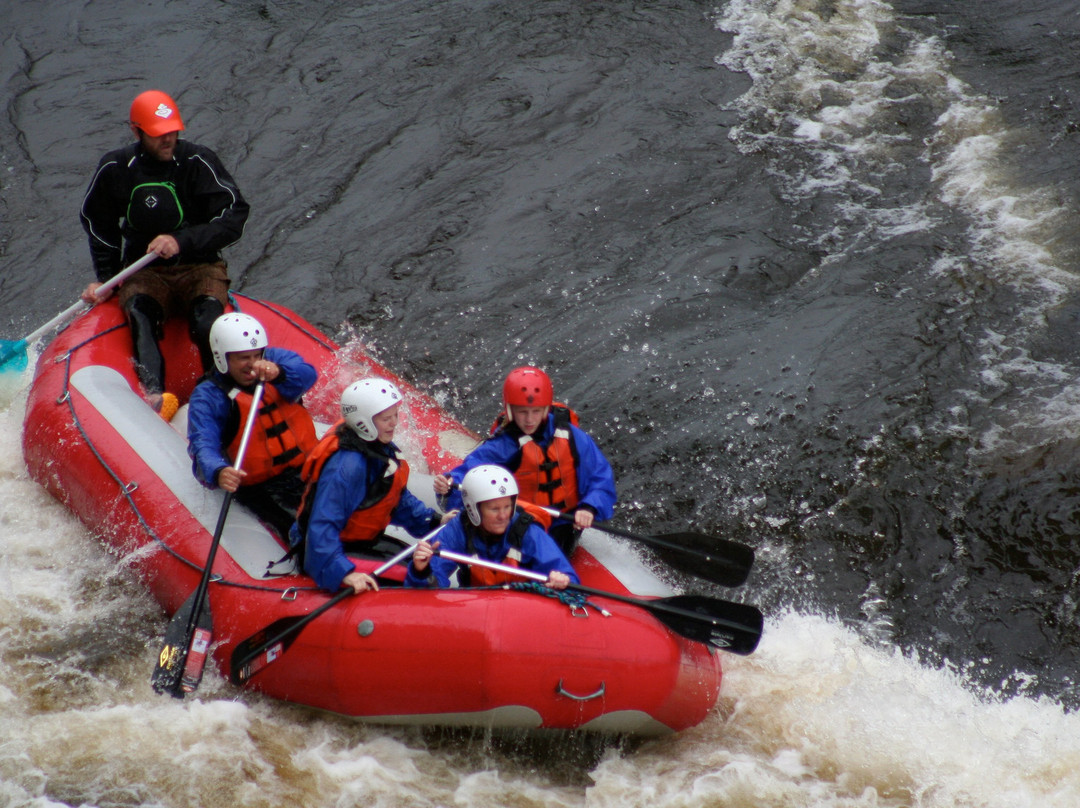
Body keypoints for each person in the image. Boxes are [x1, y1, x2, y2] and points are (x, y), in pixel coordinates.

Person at [80, 89, 250, 420]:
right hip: (145, 272)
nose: (168, 139)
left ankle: (218, 392)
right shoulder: (116, 168)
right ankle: (155, 398)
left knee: (207, 320)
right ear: (136, 131)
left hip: (199, 266)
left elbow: (234, 214)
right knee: (141, 316)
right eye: (159, 135)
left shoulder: (197, 161)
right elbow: (96, 221)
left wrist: (182, 240)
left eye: (172, 131)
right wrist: (108, 278)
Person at [290, 378, 456, 595]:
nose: (394, 423)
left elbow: (394, 497)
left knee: (424, 568)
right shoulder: (347, 468)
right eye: (386, 418)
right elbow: (322, 525)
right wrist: (343, 573)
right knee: (419, 578)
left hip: (359, 544)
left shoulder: (375, 448)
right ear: (363, 423)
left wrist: (434, 521)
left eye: (395, 415)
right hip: (329, 552)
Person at [433, 365, 616, 554]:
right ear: (510, 410)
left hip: (565, 525)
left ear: (546, 409)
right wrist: (448, 488)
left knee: (556, 547)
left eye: (536, 411)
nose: (529, 420)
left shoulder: (572, 436)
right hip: (522, 524)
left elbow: (600, 476)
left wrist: (590, 507)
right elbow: (469, 475)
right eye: (522, 412)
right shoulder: (503, 445)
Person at [187, 312, 318, 539]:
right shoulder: (208, 396)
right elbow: (202, 444)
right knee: (310, 532)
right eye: (243, 358)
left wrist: (280, 373)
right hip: (264, 487)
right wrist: (218, 471)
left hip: (308, 467)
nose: (253, 365)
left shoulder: (275, 361)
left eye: (257, 355)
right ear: (222, 358)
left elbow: (308, 373)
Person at [407, 464, 579, 589]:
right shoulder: (459, 529)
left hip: (522, 610)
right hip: (476, 611)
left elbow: (569, 578)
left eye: (507, 507)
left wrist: (562, 582)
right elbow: (432, 584)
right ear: (474, 509)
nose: (503, 515)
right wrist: (421, 572)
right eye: (494, 509)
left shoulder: (527, 531)